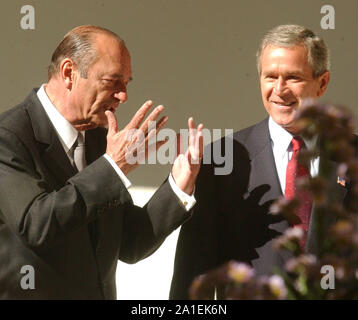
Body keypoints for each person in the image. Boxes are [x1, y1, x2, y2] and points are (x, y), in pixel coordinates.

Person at [0, 25, 204, 299]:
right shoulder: (9, 137)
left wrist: (178, 187)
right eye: (112, 82)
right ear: (69, 73)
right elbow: (36, 224)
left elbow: (130, 242)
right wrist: (112, 168)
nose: (123, 96)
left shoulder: (99, 139)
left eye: (126, 83)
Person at [170, 24, 357, 299]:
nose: (279, 90)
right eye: (270, 77)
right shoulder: (221, 160)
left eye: (293, 77)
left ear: (323, 82)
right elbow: (193, 274)